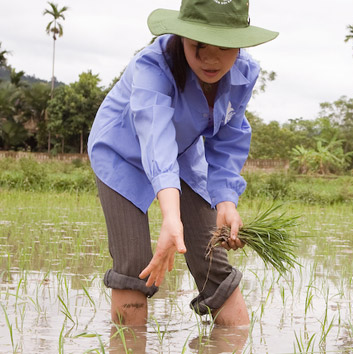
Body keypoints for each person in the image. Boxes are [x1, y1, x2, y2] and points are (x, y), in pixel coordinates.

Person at [87, 0, 277, 327]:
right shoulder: (153, 66)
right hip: (121, 152)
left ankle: (234, 345)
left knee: (212, 259)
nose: (211, 58)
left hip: (182, 152)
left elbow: (228, 138)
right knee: (134, 263)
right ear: (182, 36)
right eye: (198, 45)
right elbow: (155, 139)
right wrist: (171, 218)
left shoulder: (244, 73)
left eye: (225, 46)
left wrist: (226, 201)